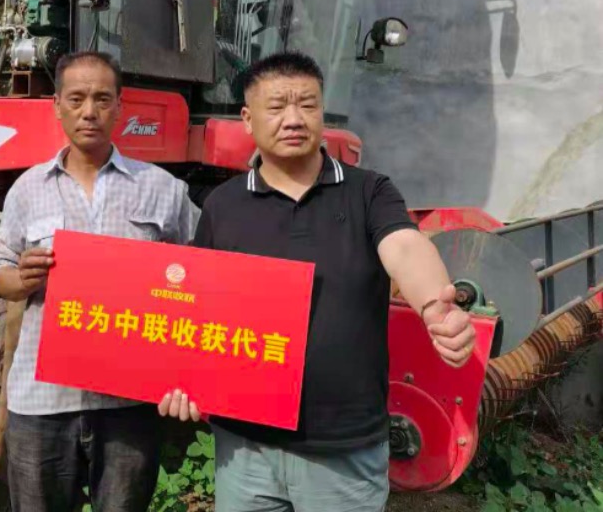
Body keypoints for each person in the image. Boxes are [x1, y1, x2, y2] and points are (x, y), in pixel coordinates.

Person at [159, 51, 476, 512]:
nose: (294, 119)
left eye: (307, 104)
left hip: (341, 448)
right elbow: (196, 302)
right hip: (244, 448)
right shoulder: (223, 205)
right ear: (247, 119)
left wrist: (434, 306)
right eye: (277, 106)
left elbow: (404, 246)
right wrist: (180, 377)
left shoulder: (368, 191)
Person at [0, 51, 199, 512]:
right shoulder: (28, 189)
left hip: (128, 403)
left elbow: (204, 272)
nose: (90, 111)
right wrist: (19, 279)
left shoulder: (161, 189)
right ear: (57, 106)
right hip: (42, 400)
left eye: (103, 99)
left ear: (120, 107)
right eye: (77, 98)